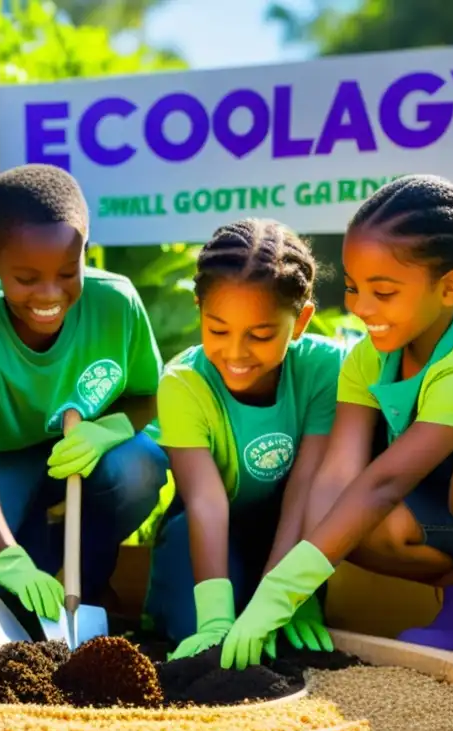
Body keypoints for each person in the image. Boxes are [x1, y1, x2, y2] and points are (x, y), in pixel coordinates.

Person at [214, 174, 453, 670]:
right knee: (347, 516)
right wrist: (294, 587)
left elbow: (384, 482)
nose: (360, 308)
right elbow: (338, 476)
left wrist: (284, 589)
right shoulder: (367, 359)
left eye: (383, 292)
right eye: (355, 288)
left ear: (451, 288)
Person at [0, 163, 168, 622]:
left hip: (96, 453)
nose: (50, 294)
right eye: (27, 279)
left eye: (67, 272)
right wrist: (6, 554)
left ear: (86, 252)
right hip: (10, 455)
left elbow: (153, 394)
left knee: (140, 469)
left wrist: (109, 430)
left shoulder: (117, 303)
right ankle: (35, 553)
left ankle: (88, 573)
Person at [143, 218, 346, 660]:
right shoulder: (184, 383)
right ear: (199, 308)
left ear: (302, 320)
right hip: (207, 534)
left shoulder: (324, 369)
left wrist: (288, 591)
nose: (236, 353)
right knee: (193, 628)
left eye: (260, 335)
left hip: (293, 534)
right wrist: (216, 616)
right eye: (218, 330)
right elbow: (205, 501)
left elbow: (306, 487)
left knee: (283, 642)